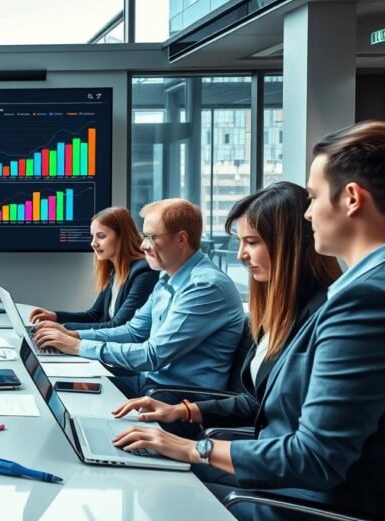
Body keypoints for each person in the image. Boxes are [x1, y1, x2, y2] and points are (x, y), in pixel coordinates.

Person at [112, 122, 385, 521]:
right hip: (287, 482)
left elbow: (316, 457)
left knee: (153, 488)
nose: (308, 213)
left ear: (351, 198)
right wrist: (183, 413)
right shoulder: (353, 290)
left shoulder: (362, 299)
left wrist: (193, 448)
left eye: (312, 197)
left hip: (306, 500)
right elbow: (271, 403)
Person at [112, 181, 341, 466]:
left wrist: (195, 449)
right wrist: (181, 411)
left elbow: (311, 454)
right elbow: (258, 403)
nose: (241, 255)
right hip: (256, 459)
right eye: (240, 242)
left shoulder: (329, 315)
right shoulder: (280, 314)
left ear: (288, 245)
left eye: (252, 242)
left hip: (275, 480)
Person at [36, 198, 245, 397]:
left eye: (152, 237)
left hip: (179, 400)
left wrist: (77, 346)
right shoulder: (167, 277)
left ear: (181, 239)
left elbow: (153, 355)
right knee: (60, 387)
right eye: (144, 236)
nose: (143, 245)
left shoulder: (205, 286)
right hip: (151, 385)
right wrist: (75, 336)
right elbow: (133, 331)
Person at [29, 206, 159, 339]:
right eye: (93, 237)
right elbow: (95, 315)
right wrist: (55, 317)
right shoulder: (115, 271)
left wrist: (64, 329)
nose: (93, 243)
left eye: (101, 236)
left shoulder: (144, 272)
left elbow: (118, 325)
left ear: (122, 237)